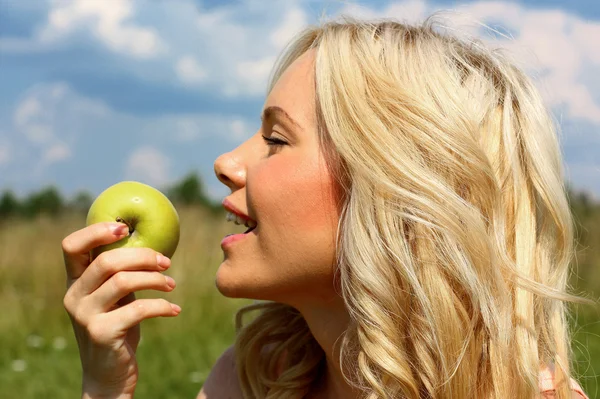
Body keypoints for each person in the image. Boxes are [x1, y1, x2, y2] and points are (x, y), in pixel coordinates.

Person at [61, 14, 592, 399]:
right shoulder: (257, 379)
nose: (226, 162)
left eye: (276, 138)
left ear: (391, 188)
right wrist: (106, 387)